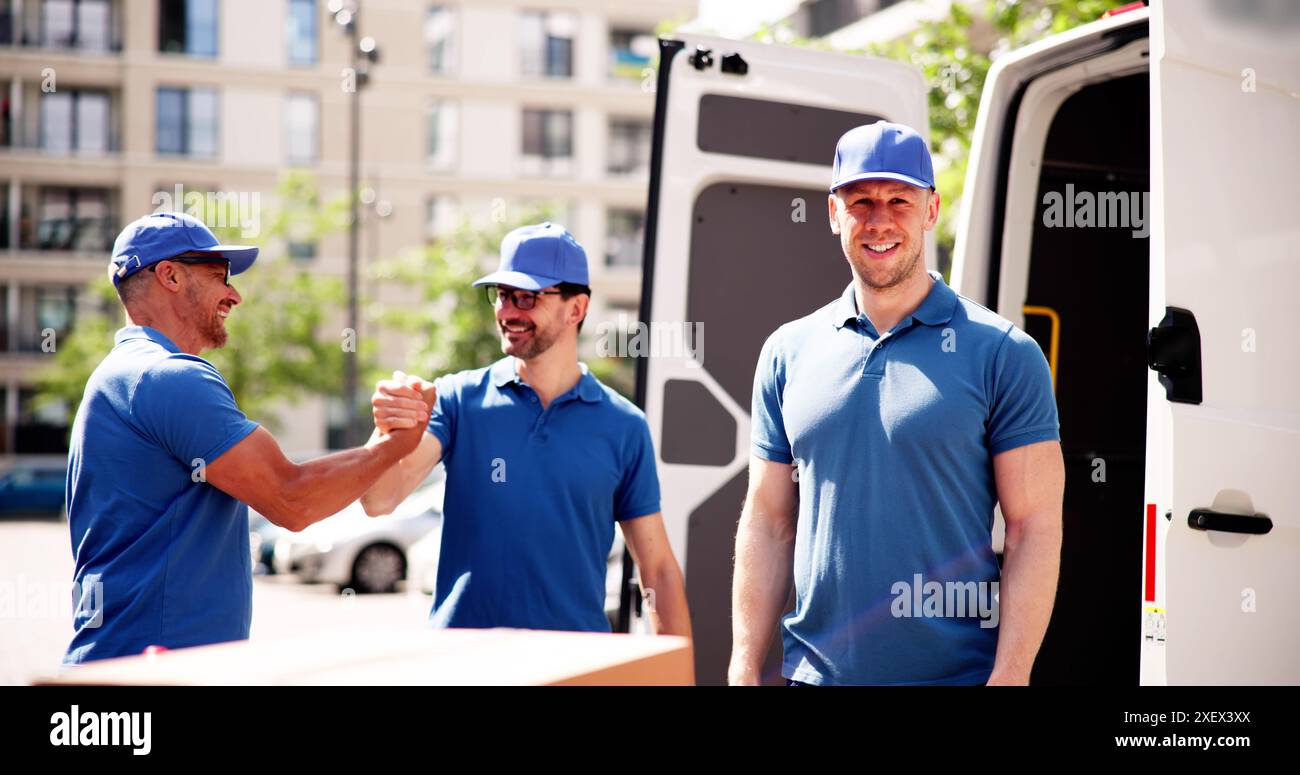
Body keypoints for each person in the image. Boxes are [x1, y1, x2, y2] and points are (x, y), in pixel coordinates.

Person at [729, 122, 1064, 686]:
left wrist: (1010, 677)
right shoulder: (788, 351)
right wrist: (743, 665)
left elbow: (1034, 527)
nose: (879, 219)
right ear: (833, 214)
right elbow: (768, 519)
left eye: (899, 200)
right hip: (813, 677)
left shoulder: (1003, 353)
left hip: (954, 677)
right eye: (860, 201)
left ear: (931, 210)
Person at [63, 212, 432, 665]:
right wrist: (396, 444)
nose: (234, 295)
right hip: (153, 671)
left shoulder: (122, 375)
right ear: (170, 275)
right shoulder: (169, 376)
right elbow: (292, 498)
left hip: (129, 665)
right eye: (220, 276)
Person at [362, 223, 691, 638]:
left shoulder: (624, 426)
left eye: (526, 297)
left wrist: (677, 673)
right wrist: (388, 429)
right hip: (463, 663)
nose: (506, 312)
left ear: (576, 309)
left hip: (576, 668)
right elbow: (378, 500)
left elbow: (657, 570)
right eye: (501, 296)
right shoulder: (457, 399)